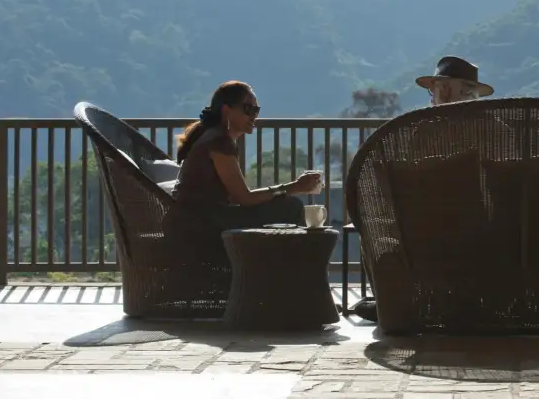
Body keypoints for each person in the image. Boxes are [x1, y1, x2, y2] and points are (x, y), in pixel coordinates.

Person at [349, 56, 494, 323]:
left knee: (377, 229)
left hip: (426, 229)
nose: (433, 96)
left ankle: (392, 303)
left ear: (448, 91)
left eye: (435, 89)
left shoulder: (421, 133)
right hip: (489, 228)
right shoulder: (497, 130)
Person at [172, 80, 321, 231]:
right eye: (248, 109)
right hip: (201, 224)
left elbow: (239, 196)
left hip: (198, 220)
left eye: (256, 111)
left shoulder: (211, 136)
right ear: (226, 111)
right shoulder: (219, 142)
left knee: (284, 206)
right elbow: (244, 198)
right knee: (291, 207)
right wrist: (295, 186)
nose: (253, 116)